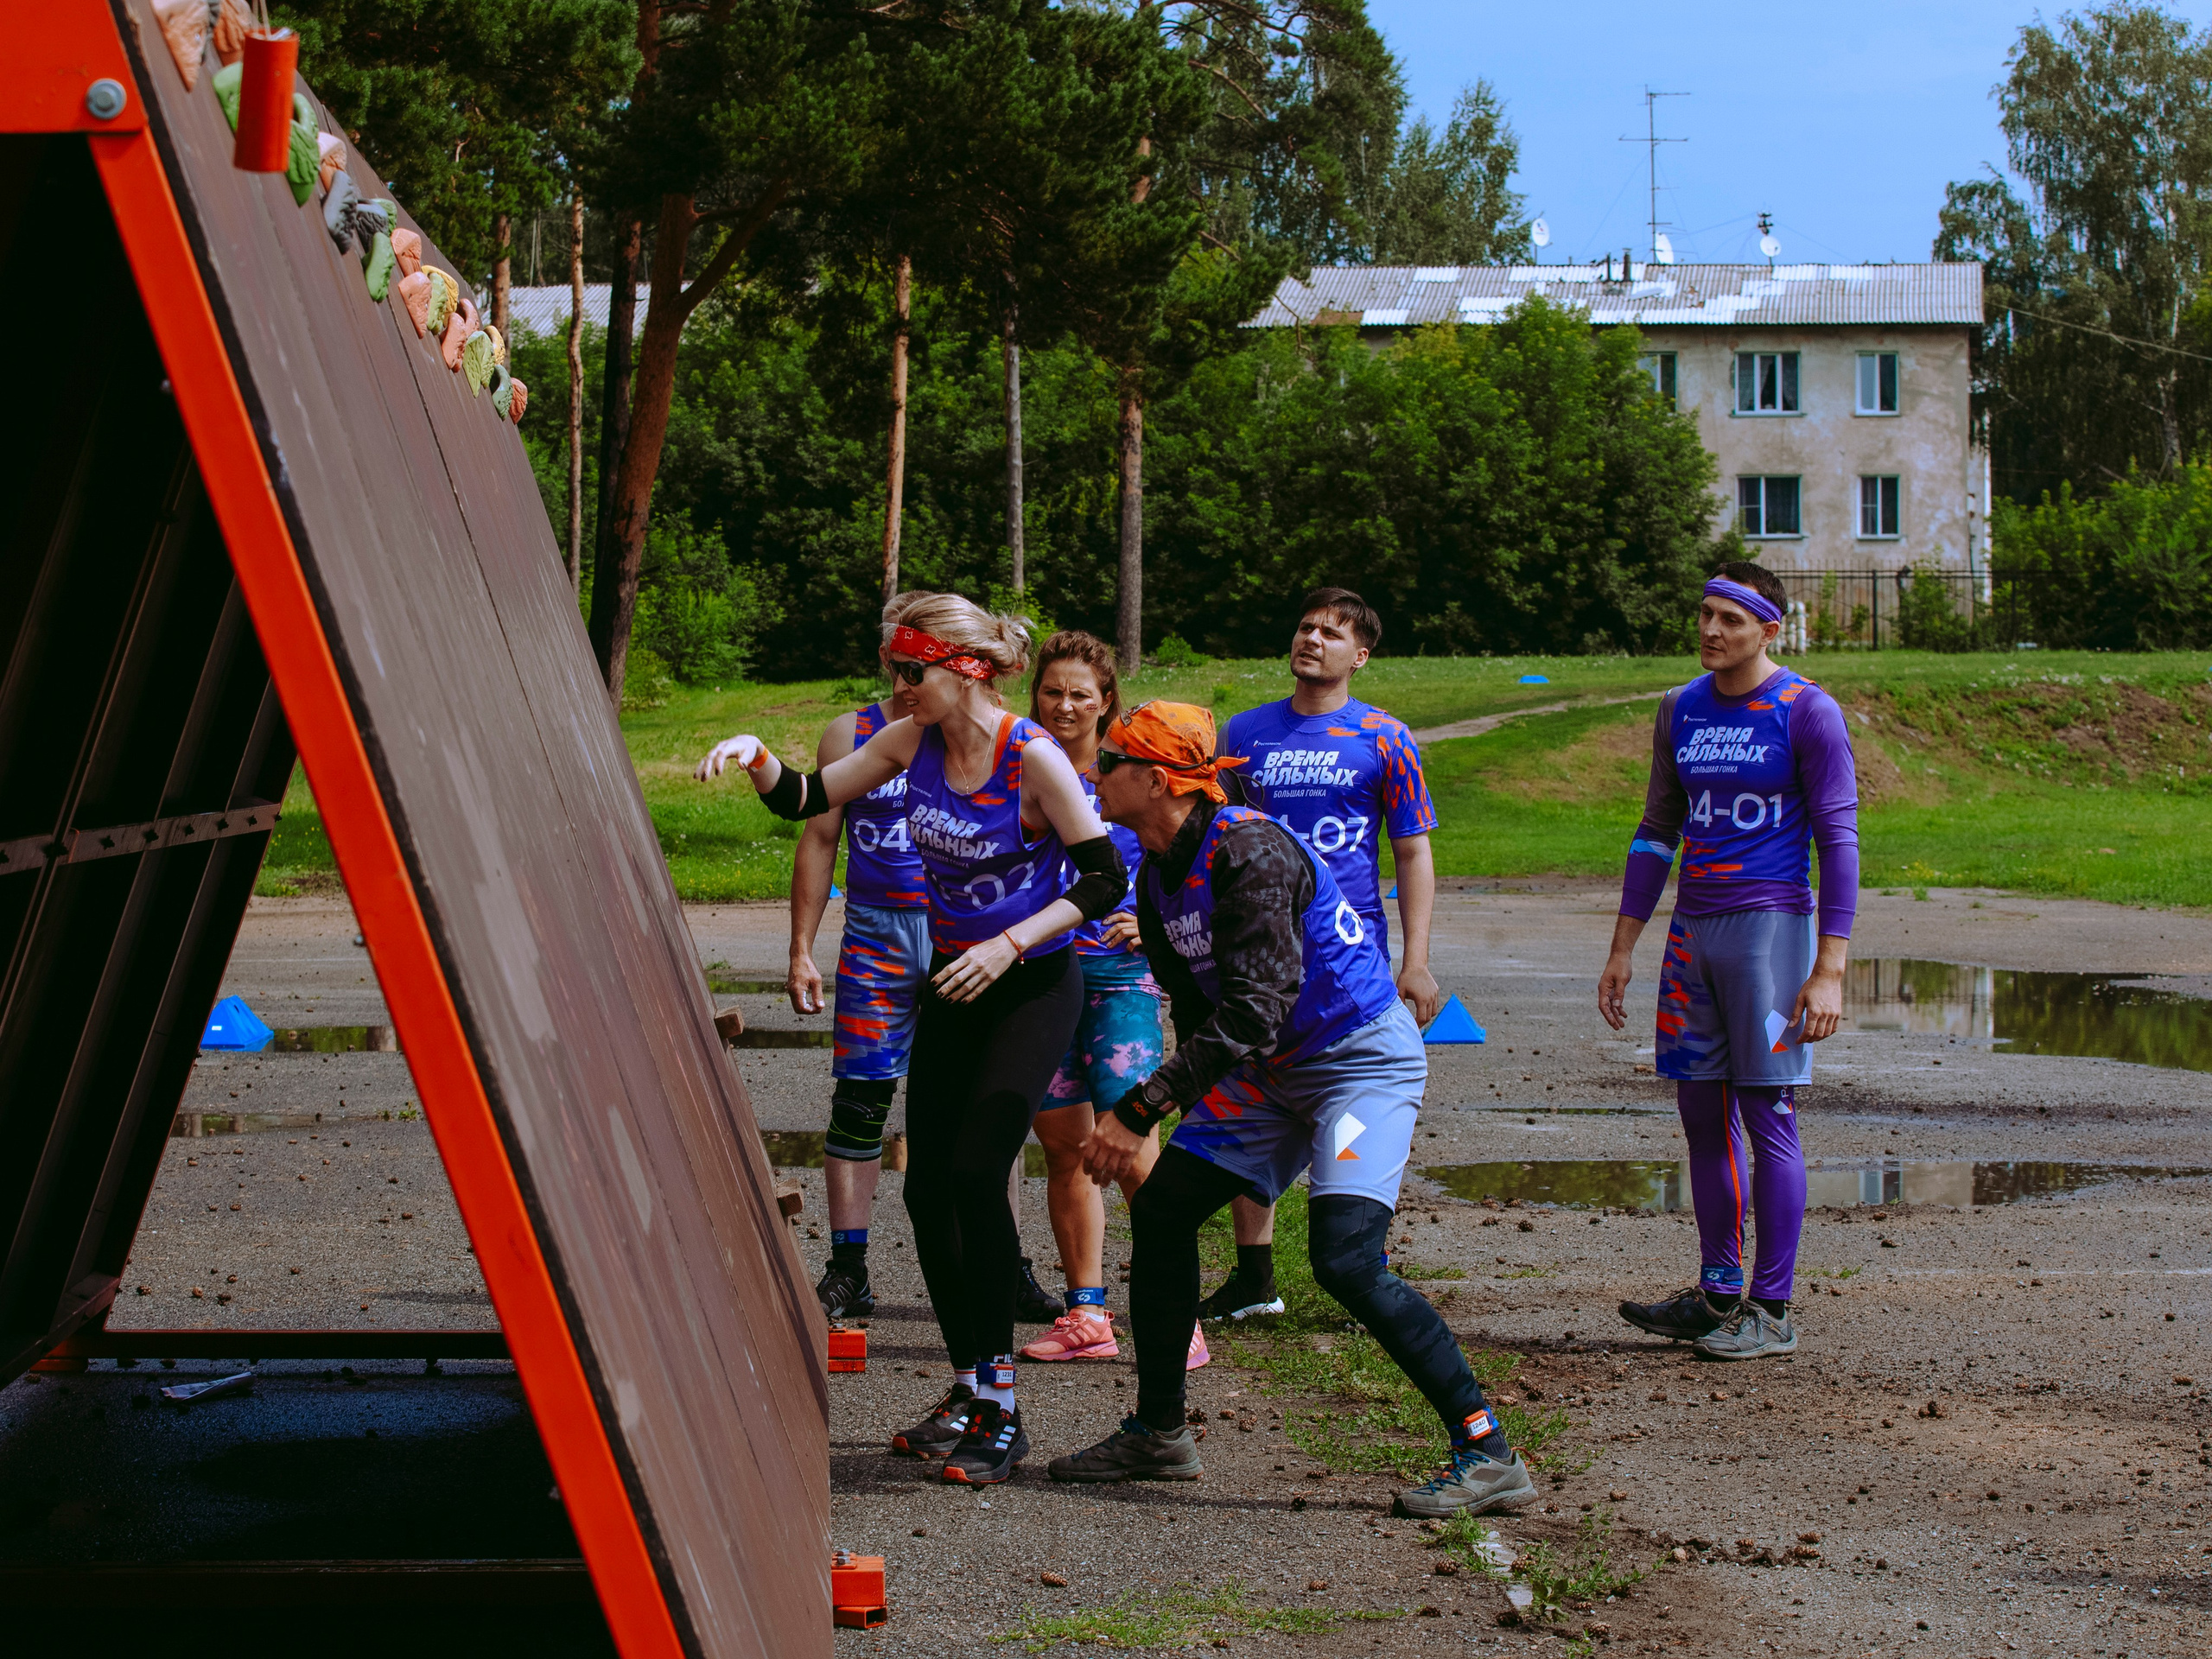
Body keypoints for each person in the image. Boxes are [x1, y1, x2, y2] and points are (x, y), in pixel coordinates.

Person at [1046, 702, 1533, 1520]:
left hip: (1355, 1064)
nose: (1096, 768)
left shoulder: (1251, 851)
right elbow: (1206, 1014)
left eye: (1113, 758)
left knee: (1344, 1261)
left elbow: (1255, 1008)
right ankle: (1159, 1432)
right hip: (1270, 1070)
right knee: (1164, 1210)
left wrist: (1141, 1107)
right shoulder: (1160, 869)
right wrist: (1185, 1102)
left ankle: (1486, 1451)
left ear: (1157, 781)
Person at [696, 594, 1128, 1485]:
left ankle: (1002, 1402)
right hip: (955, 985)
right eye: (894, 670)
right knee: (927, 1188)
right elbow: (810, 800)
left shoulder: (1029, 757)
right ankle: (969, 1386)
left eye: (910, 671)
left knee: (977, 1173)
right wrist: (754, 757)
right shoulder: (907, 743)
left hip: (1032, 984)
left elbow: (1103, 875)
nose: (895, 687)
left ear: (964, 669)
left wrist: (1013, 941)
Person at [1596, 562, 1859, 1362]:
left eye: (1730, 620)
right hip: (1692, 935)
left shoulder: (1807, 710)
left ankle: (1771, 1309)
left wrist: (1830, 967)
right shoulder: (1679, 708)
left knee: (1767, 1115)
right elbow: (1654, 832)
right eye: (1705, 615)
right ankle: (1716, 1294)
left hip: (1770, 935)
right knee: (1698, 1116)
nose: (1712, 631)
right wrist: (1622, 946)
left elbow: (1839, 839)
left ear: (1768, 629)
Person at [1204, 587, 1445, 1324]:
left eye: (1331, 633)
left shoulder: (1385, 737)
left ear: (1360, 656)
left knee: (1348, 1104)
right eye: (1305, 627)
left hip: (1351, 956)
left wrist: (1417, 958)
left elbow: (1411, 851)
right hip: (1254, 949)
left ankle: (1358, 1259)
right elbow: (1209, 838)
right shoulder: (1244, 733)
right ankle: (1254, 1277)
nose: (1312, 639)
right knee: (1255, 1092)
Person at [1016, 632, 1207, 1372]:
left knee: (1130, 1147)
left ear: (1106, 704)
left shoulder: (1127, 776)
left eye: (1080, 695)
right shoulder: (1017, 770)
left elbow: (1182, 848)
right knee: (1063, 1148)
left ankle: (1175, 1313)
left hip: (1121, 979)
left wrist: (1146, 919)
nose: (1064, 706)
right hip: (1039, 976)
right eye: (1052, 692)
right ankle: (1087, 1314)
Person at [785, 594, 931, 1321]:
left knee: (971, 1107)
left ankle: (1010, 1264)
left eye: (928, 664)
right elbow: (819, 837)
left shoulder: (979, 735)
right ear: (886, 659)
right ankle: (849, 1267)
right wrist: (801, 951)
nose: (914, 679)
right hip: (877, 933)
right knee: (860, 1102)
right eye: (904, 663)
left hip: (962, 936)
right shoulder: (851, 733)